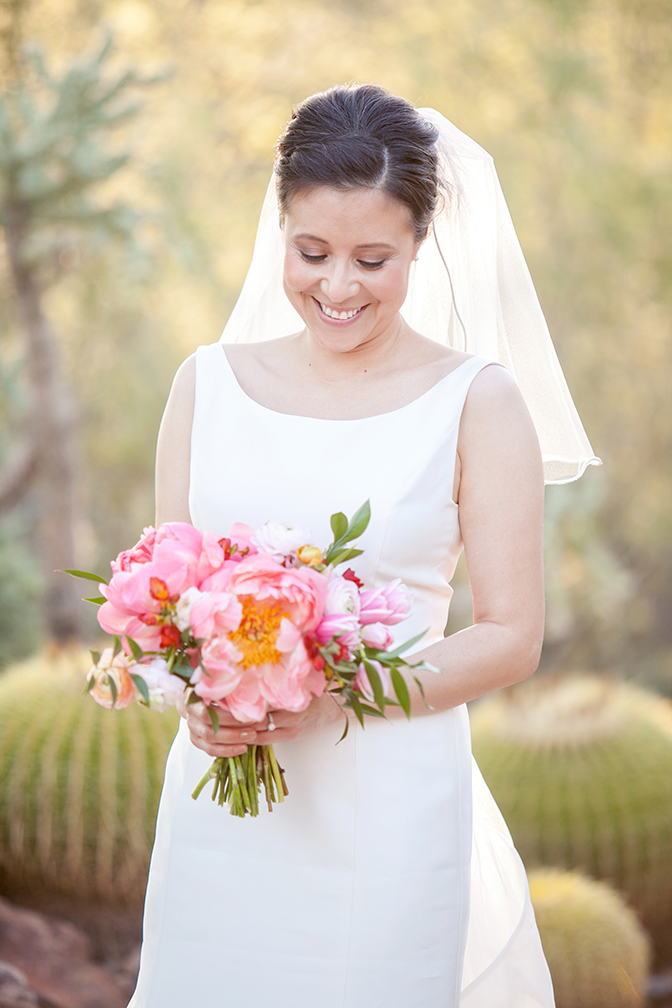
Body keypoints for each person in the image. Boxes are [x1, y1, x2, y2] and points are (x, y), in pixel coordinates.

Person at [128, 84, 599, 1008]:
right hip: (223, 801)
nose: (337, 287)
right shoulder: (206, 385)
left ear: (421, 244)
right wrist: (197, 702)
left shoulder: (477, 401)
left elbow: (511, 636)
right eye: (313, 254)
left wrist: (329, 689)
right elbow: (163, 602)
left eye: (372, 259)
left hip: (386, 806)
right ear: (280, 229)